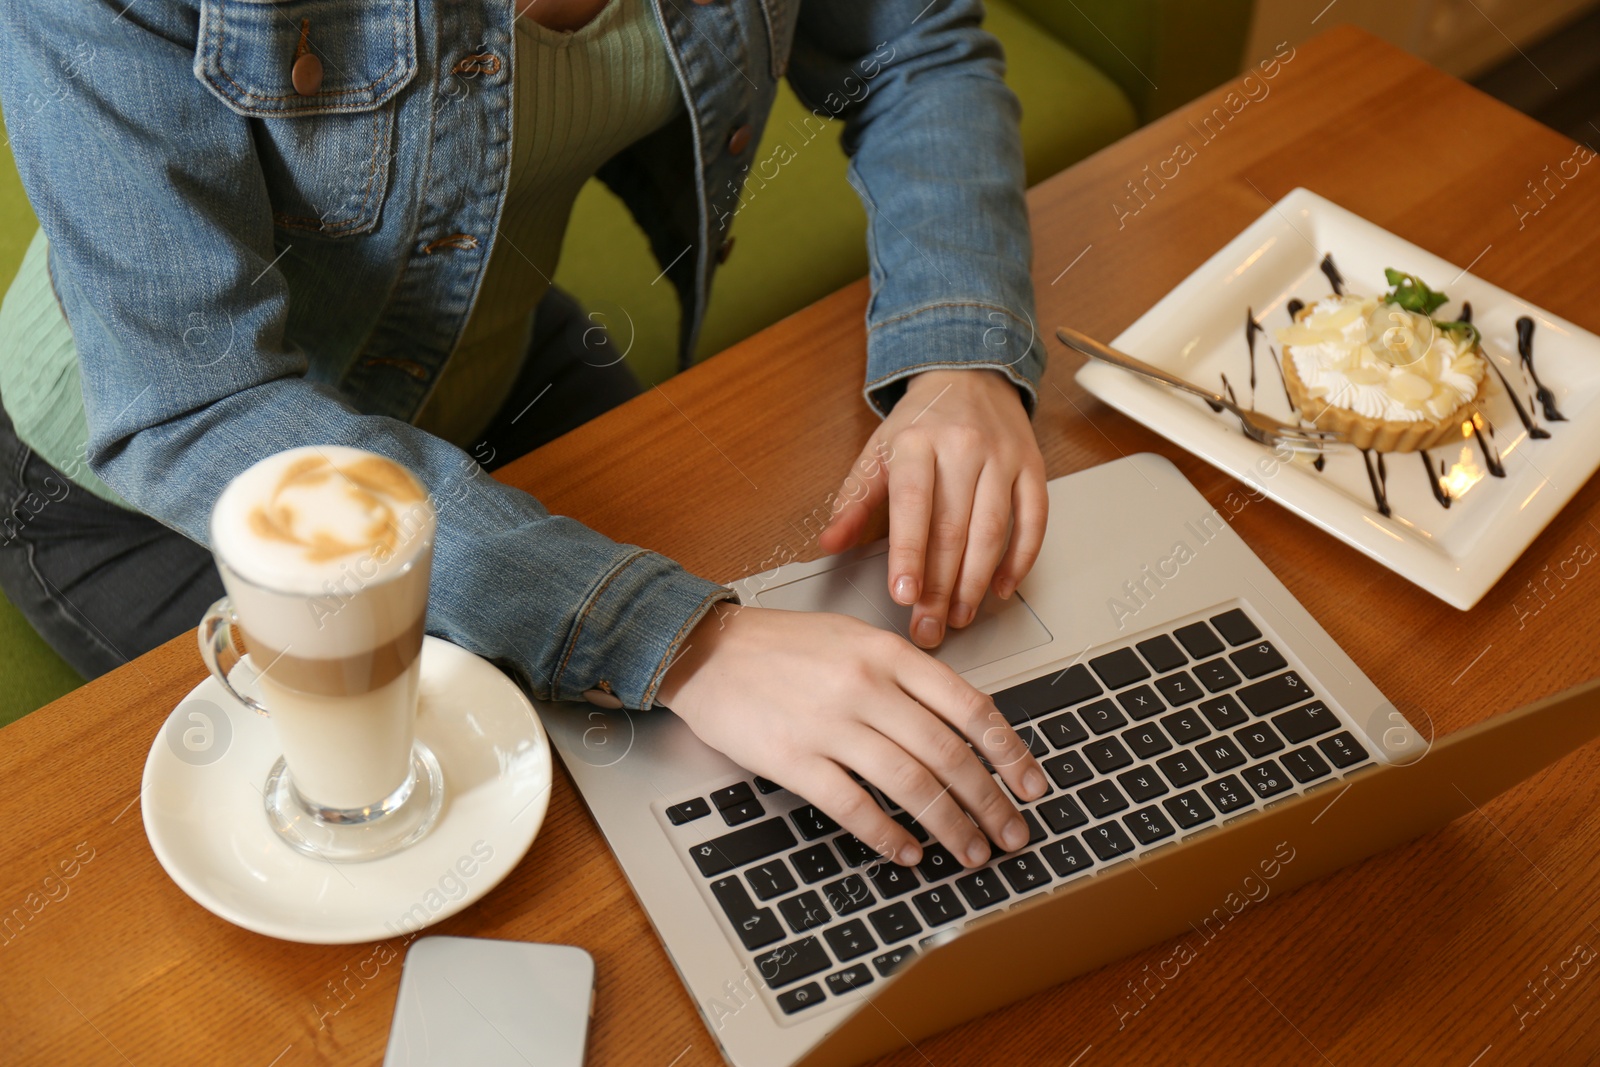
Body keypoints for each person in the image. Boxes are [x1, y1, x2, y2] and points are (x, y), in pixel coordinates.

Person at [0, 0, 1051, 871]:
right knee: (510, 838)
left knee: (727, 796)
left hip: (484, 357)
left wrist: (960, 355)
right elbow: (192, 400)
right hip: (164, 481)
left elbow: (914, 48)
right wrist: (681, 637)